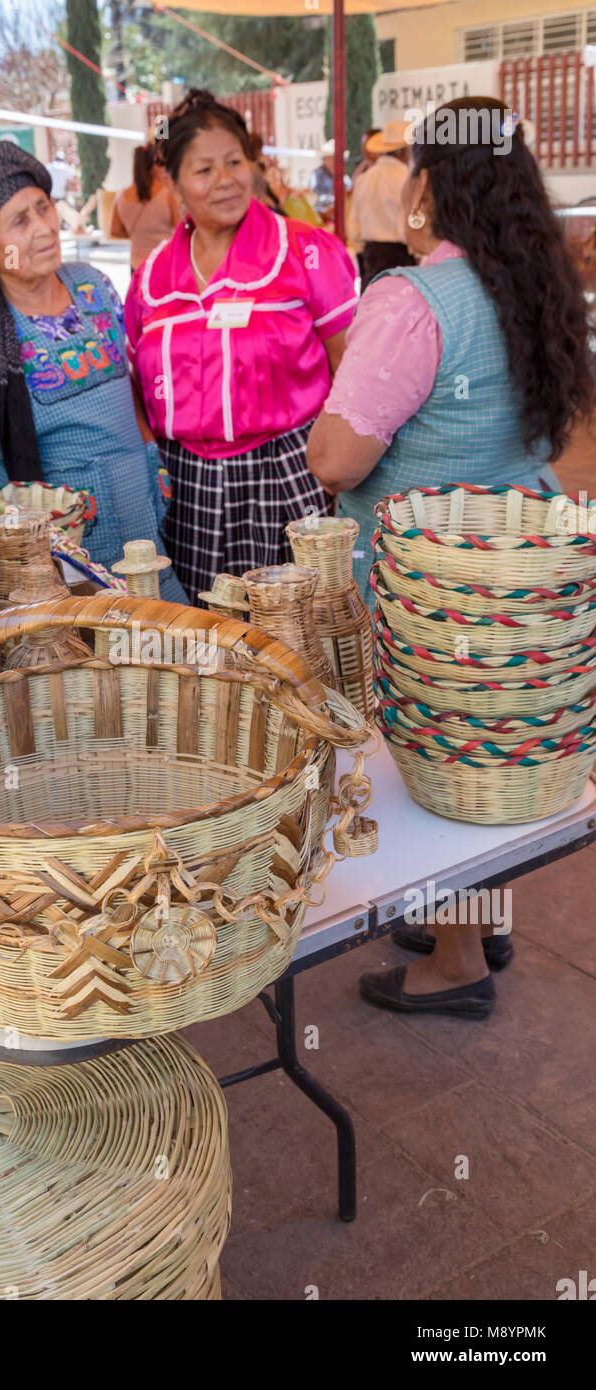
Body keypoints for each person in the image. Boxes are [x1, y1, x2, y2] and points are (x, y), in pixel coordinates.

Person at [307, 98, 594, 1020]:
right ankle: (481, 918)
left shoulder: (411, 302)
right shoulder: (535, 287)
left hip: (430, 584)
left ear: (428, 186)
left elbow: (336, 458)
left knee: (434, 760)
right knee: (485, 745)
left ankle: (456, 962)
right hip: (515, 577)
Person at [0, 140, 185, 598]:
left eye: (43, 208)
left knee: (163, 642)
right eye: (19, 221)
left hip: (139, 517)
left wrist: (152, 461)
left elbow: (129, 389)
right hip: (55, 546)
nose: (44, 228)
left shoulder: (94, 287)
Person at [125, 89, 357, 605]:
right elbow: (137, 389)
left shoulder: (304, 251)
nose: (227, 180)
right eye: (204, 169)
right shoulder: (151, 279)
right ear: (173, 181)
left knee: (298, 625)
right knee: (204, 633)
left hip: (291, 473)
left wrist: (341, 471)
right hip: (186, 486)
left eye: (235, 161)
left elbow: (351, 367)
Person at [347, 121, 415, 289]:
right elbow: (411, 225)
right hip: (401, 257)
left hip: (370, 255)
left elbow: (353, 228)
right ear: (404, 151)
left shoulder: (364, 179)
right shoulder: (406, 179)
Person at [110, 139, 180, 270]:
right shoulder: (167, 193)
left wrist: (139, 235)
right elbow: (180, 227)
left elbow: (114, 230)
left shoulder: (121, 197)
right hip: (165, 263)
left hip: (137, 266)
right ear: (154, 165)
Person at [308, 139, 351, 218]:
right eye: (334, 158)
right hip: (322, 216)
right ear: (326, 159)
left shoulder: (344, 177)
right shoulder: (317, 175)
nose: (338, 162)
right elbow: (314, 196)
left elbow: (349, 193)